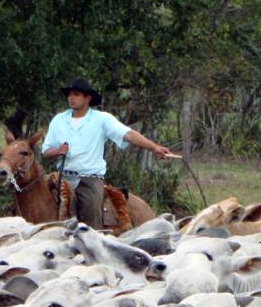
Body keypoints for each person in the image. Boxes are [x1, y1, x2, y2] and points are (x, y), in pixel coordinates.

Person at [42, 78, 172, 229]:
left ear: (88, 98)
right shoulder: (58, 120)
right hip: (61, 176)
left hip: (88, 178)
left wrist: (154, 147)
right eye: (69, 94)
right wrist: (57, 151)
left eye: (76, 94)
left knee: (90, 211)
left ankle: (93, 240)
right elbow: (46, 151)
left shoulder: (101, 119)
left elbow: (128, 134)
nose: (71, 97)